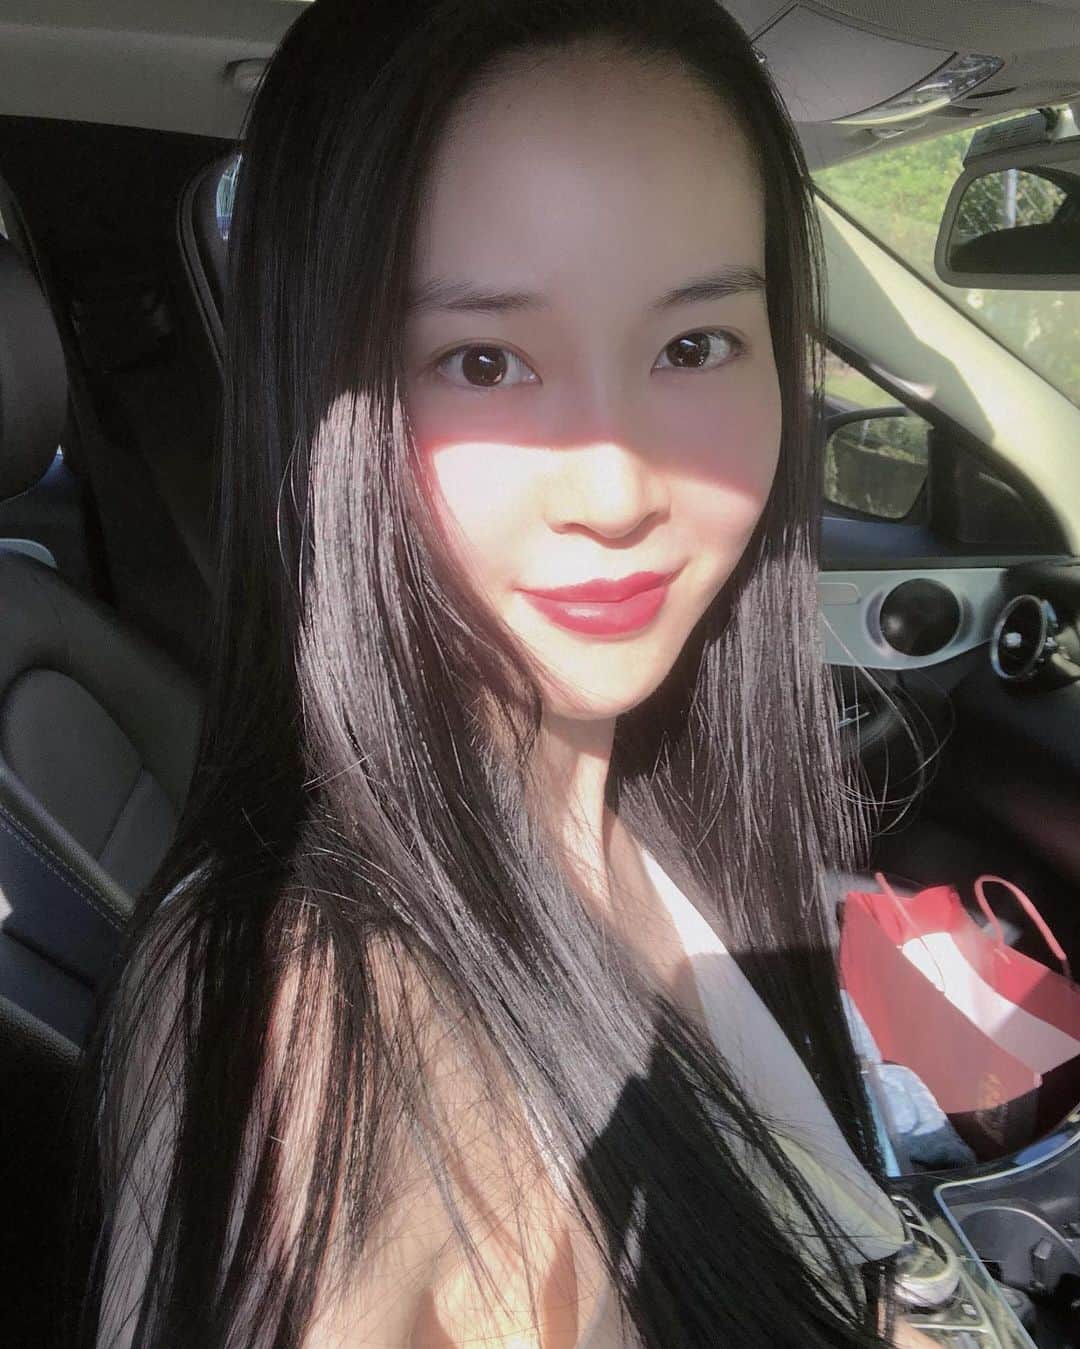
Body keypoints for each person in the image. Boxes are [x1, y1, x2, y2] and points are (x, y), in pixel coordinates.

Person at [80, 1, 939, 1344]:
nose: (616, 489)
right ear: (324, 403)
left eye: (694, 345)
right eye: (482, 363)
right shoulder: (321, 1024)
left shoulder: (642, 795)